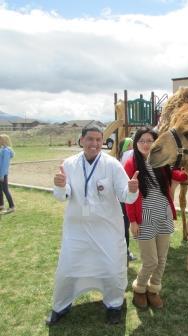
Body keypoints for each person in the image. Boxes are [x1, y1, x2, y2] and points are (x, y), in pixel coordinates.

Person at [46, 125, 139, 326]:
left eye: (99, 140)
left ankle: (114, 305)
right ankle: (61, 306)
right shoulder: (69, 164)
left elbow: (126, 196)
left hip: (107, 230)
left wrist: (132, 189)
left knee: (112, 269)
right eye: (90, 139)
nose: (95, 144)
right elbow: (63, 196)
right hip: (77, 230)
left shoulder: (112, 165)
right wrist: (60, 185)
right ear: (81, 141)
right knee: (67, 270)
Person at [124, 127, 187, 310]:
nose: (146, 144)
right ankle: (139, 288)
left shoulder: (161, 161)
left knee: (162, 259)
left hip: (163, 215)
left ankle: (153, 290)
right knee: (151, 260)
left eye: (150, 140)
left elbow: (178, 175)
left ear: (155, 143)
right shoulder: (130, 164)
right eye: (142, 141)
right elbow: (128, 197)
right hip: (144, 218)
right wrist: (133, 221)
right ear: (136, 143)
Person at [117, 137, 136, 262]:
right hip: (125, 196)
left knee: (122, 225)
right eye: (130, 145)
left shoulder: (119, 158)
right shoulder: (128, 155)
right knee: (124, 225)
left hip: (120, 196)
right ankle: (125, 253)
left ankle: (125, 252)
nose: (132, 147)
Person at [0, 134, 15, 213]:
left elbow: (5, 165)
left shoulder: (6, 151)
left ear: (4, 140)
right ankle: (1, 205)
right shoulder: (2, 149)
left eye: (0, 139)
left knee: (5, 190)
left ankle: (12, 206)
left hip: (2, 174)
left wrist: (2, 175)